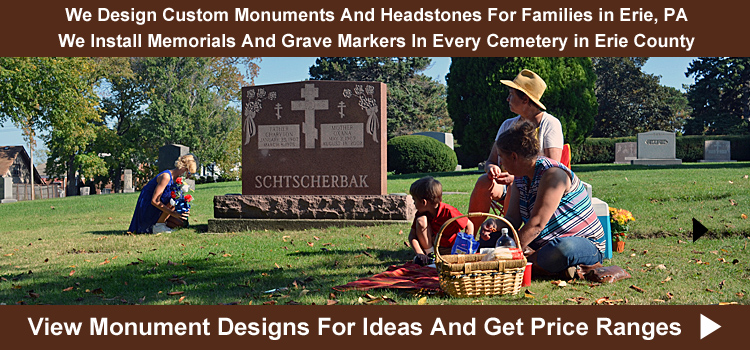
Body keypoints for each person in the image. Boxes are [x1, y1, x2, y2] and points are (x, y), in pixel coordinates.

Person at [480, 121, 604, 278]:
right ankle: (544, 265)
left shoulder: (553, 174)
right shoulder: (519, 178)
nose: (501, 163)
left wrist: (508, 253)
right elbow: (512, 219)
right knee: (492, 239)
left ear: (514, 156)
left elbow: (537, 225)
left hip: (582, 242)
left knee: (561, 249)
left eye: (502, 158)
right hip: (542, 243)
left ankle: (527, 263)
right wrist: (495, 224)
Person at [467, 69, 564, 230]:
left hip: (535, 189)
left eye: (511, 94)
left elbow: (553, 169)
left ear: (525, 99)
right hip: (505, 185)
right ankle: (471, 237)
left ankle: (508, 234)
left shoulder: (550, 124)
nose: (507, 98)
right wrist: (492, 169)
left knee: (515, 185)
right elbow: (491, 161)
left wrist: (515, 178)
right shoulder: (507, 125)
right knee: (484, 181)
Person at [408, 176, 475, 266]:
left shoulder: (449, 211)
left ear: (424, 202)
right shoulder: (421, 214)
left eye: (414, 200)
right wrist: (420, 253)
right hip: (433, 248)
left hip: (450, 249)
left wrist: (466, 249)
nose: (414, 204)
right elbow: (412, 236)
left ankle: (440, 259)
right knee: (421, 221)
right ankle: (430, 256)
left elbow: (469, 225)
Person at [127, 154, 197, 234]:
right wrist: (173, 213)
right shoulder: (166, 177)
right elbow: (154, 201)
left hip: (160, 208)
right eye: (189, 173)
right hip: (149, 208)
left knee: (179, 220)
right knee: (173, 200)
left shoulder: (178, 180)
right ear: (183, 168)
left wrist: (183, 209)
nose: (189, 176)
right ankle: (158, 226)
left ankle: (162, 224)